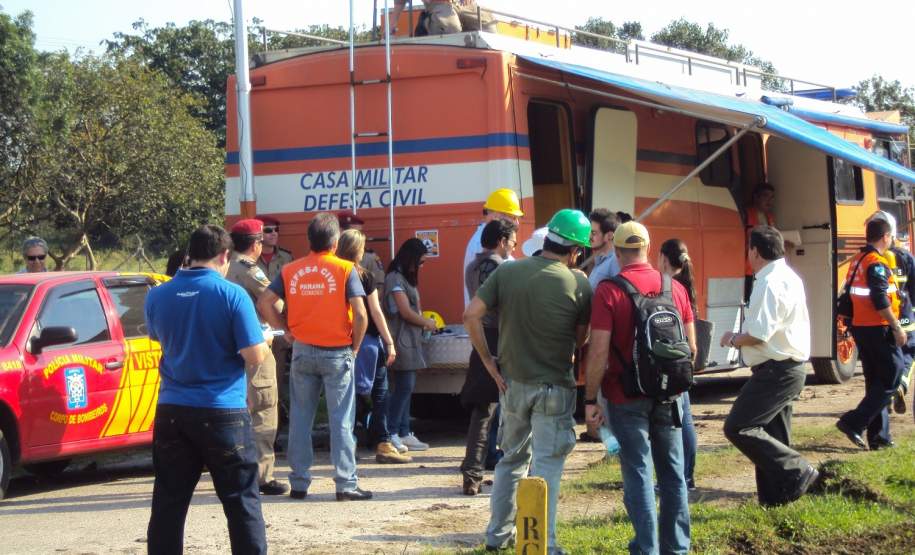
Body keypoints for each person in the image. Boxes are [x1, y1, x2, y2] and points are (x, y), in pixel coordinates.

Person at [465, 208, 592, 554]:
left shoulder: (509, 272)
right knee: (547, 464)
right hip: (555, 386)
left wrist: (489, 361)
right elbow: (580, 340)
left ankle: (497, 536)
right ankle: (543, 543)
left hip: (513, 385)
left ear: (547, 239)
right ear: (576, 250)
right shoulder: (579, 283)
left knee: (510, 461)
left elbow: (471, 314)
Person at [144, 224, 269, 554]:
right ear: (224, 255)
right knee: (241, 500)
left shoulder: (157, 294)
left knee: (169, 502)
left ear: (190, 254)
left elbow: (158, 336)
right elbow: (254, 355)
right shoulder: (232, 294)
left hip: (172, 409)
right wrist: (266, 340)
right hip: (222, 410)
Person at [583, 221, 694, 555]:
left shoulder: (609, 291)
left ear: (617, 252)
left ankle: (647, 549)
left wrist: (590, 398)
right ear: (648, 248)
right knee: (673, 474)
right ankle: (677, 549)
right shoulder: (675, 288)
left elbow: (598, 352)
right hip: (670, 395)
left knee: (638, 473)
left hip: (625, 396)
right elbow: (691, 349)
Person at [257, 213, 372, 501]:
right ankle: (346, 484)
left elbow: (265, 302)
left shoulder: (291, 269)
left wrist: (286, 330)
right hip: (338, 352)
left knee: (300, 418)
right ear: (335, 242)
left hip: (302, 350)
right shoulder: (346, 269)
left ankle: (299, 483)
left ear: (309, 240)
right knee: (341, 420)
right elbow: (360, 314)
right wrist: (355, 347)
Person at [719, 226, 818, 506]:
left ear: (755, 252)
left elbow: (759, 334)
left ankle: (798, 470)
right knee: (774, 437)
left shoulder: (768, 282)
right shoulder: (788, 276)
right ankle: (776, 500)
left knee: (739, 427)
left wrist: (733, 339)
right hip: (787, 367)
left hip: (777, 371)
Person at [336, 229, 411, 464]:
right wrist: (389, 341)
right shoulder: (364, 276)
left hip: (339, 342)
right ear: (358, 250)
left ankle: (347, 446)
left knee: (346, 397)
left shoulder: (332, 275)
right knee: (380, 394)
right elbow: (375, 312)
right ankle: (383, 443)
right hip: (368, 343)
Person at [226, 219, 288, 496]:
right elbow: (274, 301)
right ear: (256, 244)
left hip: (227, 349)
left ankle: (235, 471)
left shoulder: (222, 265)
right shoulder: (248, 269)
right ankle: (262, 476)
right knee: (263, 407)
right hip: (255, 345)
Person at [836, 218, 907, 451]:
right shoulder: (876, 263)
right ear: (885, 237)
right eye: (891, 236)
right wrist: (896, 327)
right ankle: (854, 421)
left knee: (876, 381)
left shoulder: (858, 259)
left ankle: (879, 437)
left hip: (861, 327)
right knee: (893, 374)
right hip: (878, 328)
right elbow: (880, 299)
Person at [459, 218, 517, 495]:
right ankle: (512, 474)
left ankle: (472, 474)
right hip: (500, 339)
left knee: (483, 412)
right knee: (514, 409)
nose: (514, 247)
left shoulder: (472, 266)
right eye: (513, 241)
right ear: (502, 241)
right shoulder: (502, 268)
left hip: (480, 338)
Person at [384, 238, 437, 454]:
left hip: (410, 340)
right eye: (420, 262)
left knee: (406, 388)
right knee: (403, 387)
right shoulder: (395, 278)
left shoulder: (405, 278)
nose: (421, 266)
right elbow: (405, 312)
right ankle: (392, 432)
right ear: (410, 259)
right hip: (401, 340)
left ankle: (404, 431)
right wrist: (427, 323)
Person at [659, 238, 699, 491]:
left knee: (675, 423)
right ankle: (688, 476)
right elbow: (692, 342)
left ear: (663, 258)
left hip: (666, 362)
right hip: (682, 360)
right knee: (685, 419)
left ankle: (679, 477)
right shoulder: (683, 288)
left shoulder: (663, 287)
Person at [867, 211, 915, 415]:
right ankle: (900, 385)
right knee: (909, 353)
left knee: (884, 361)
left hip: (879, 321)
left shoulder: (869, 259)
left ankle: (884, 398)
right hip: (904, 318)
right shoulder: (905, 257)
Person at [256, 214, 294, 426]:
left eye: (276, 230)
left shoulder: (286, 258)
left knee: (276, 377)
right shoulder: (248, 261)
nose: (273, 234)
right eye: (268, 230)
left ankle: (276, 423)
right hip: (257, 326)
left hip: (280, 326)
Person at [463, 188, 524, 307]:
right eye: (513, 217)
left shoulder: (486, 237)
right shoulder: (482, 244)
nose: (517, 223)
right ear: (497, 215)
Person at [338, 211, 387, 299]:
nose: (356, 236)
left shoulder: (369, 257)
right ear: (340, 231)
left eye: (359, 232)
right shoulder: (330, 255)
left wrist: (368, 304)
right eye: (353, 232)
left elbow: (379, 286)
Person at [391, 0, 497, 36]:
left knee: (488, 24)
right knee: (450, 27)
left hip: (464, 4)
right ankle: (427, 24)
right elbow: (399, 2)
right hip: (439, 4)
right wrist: (392, 24)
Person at [744, 183, 776, 301]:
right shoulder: (745, 214)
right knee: (749, 300)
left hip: (765, 267)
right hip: (748, 268)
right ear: (756, 197)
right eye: (766, 196)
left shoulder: (770, 217)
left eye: (772, 197)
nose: (769, 201)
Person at [587, 208, 621, 289]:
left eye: (594, 233)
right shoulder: (601, 261)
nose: (589, 236)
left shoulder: (615, 262)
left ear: (609, 236)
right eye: (589, 232)